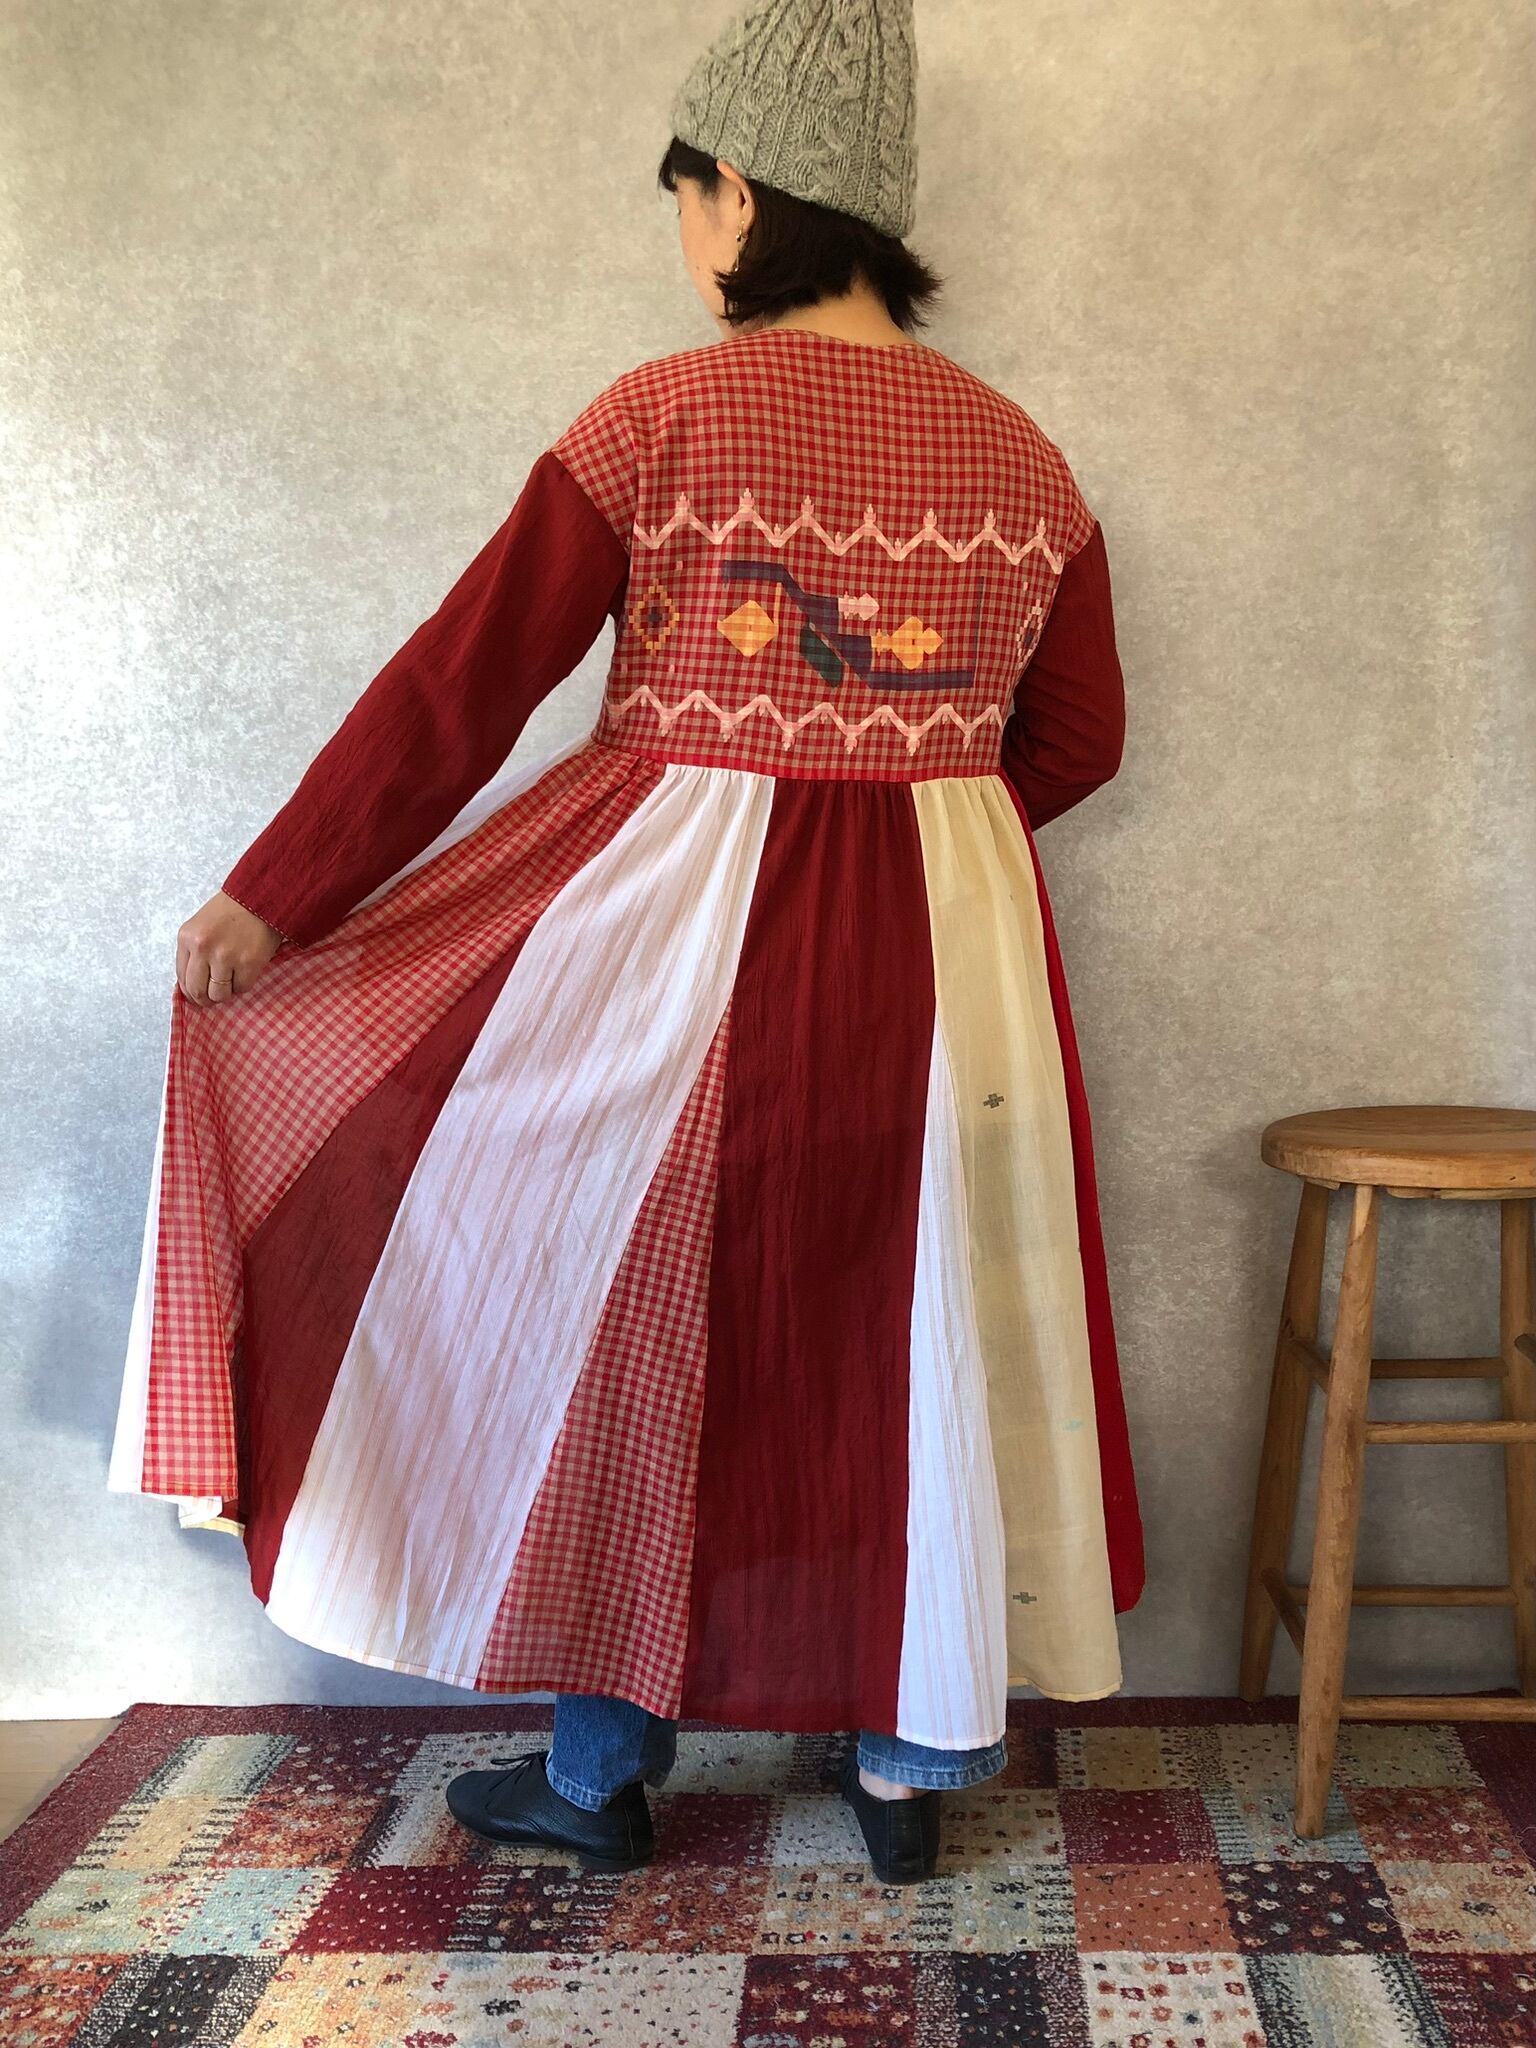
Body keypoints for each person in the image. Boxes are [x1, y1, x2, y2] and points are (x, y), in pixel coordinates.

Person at [108, 0, 1144, 1888]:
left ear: (738, 191)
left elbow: (463, 686)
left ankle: (599, 1776)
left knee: (614, 1313)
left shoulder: (662, 417)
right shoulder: (1025, 456)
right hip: (951, 982)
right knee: (911, 1325)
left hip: (663, 962)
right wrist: (924, 835)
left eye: (683, 202)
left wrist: (280, 896)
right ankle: (907, 1768)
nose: (683, 242)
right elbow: (1077, 742)